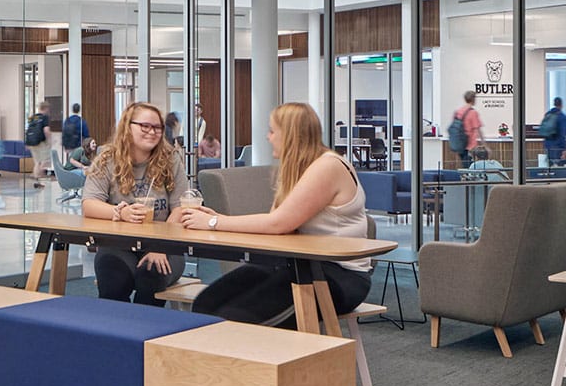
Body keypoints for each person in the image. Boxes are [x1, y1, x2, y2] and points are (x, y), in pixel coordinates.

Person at [176, 102, 372, 328]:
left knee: (236, 317)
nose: (268, 137)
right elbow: (278, 224)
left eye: (272, 131)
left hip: (339, 275)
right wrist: (217, 219)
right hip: (298, 264)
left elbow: (277, 224)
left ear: (290, 134)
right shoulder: (299, 168)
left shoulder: (328, 166)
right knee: (206, 304)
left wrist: (213, 221)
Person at [81, 101, 189, 307]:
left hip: (164, 246)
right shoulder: (107, 159)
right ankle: (114, 327)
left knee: (151, 276)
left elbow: (180, 208)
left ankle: (145, 327)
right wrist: (120, 213)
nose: (152, 132)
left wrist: (159, 245)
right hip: (119, 245)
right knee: (113, 279)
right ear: (128, 127)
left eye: (157, 127)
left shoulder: (171, 159)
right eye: (145, 126)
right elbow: (89, 205)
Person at [450, 91, 482, 167]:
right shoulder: (473, 112)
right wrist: (485, 145)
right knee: (471, 167)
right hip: (470, 145)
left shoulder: (458, 111)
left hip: (460, 144)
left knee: (466, 165)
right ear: (473, 99)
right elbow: (478, 129)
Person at [24, 107, 51, 187]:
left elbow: (28, 130)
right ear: (46, 109)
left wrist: (27, 143)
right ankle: (40, 179)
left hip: (32, 143)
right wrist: (49, 141)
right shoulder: (44, 117)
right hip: (41, 143)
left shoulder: (33, 117)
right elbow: (46, 130)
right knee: (44, 161)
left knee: (37, 162)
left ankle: (37, 180)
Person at [540, 97, 566, 166]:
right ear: (561, 105)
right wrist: (564, 149)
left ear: (554, 104)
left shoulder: (547, 114)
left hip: (548, 145)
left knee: (549, 167)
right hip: (558, 146)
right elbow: (562, 133)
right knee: (560, 167)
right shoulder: (562, 116)